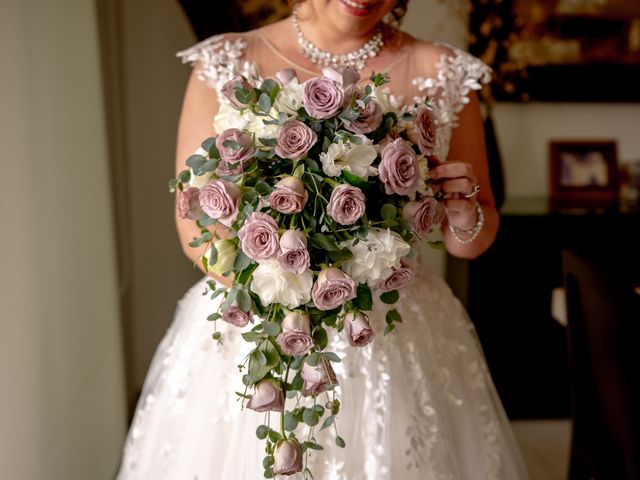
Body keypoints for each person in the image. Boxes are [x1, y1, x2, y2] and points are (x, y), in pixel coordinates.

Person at [117, 1, 530, 478]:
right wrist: (288, 284)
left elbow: (471, 240)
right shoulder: (228, 61)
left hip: (395, 334)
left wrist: (464, 214)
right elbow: (195, 228)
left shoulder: (442, 71)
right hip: (261, 325)